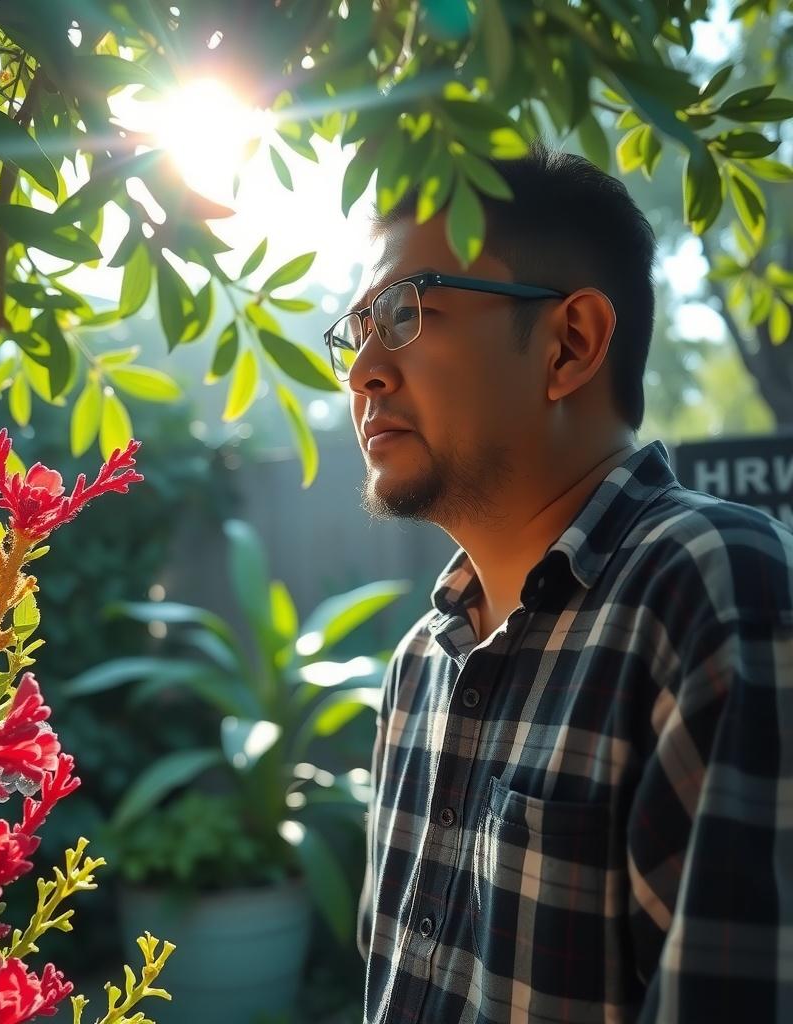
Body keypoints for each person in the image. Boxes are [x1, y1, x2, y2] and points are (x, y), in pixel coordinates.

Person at [324, 141, 793, 1023]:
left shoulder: (714, 591)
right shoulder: (420, 662)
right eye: (354, 334)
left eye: (405, 314)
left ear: (570, 344)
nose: (362, 372)